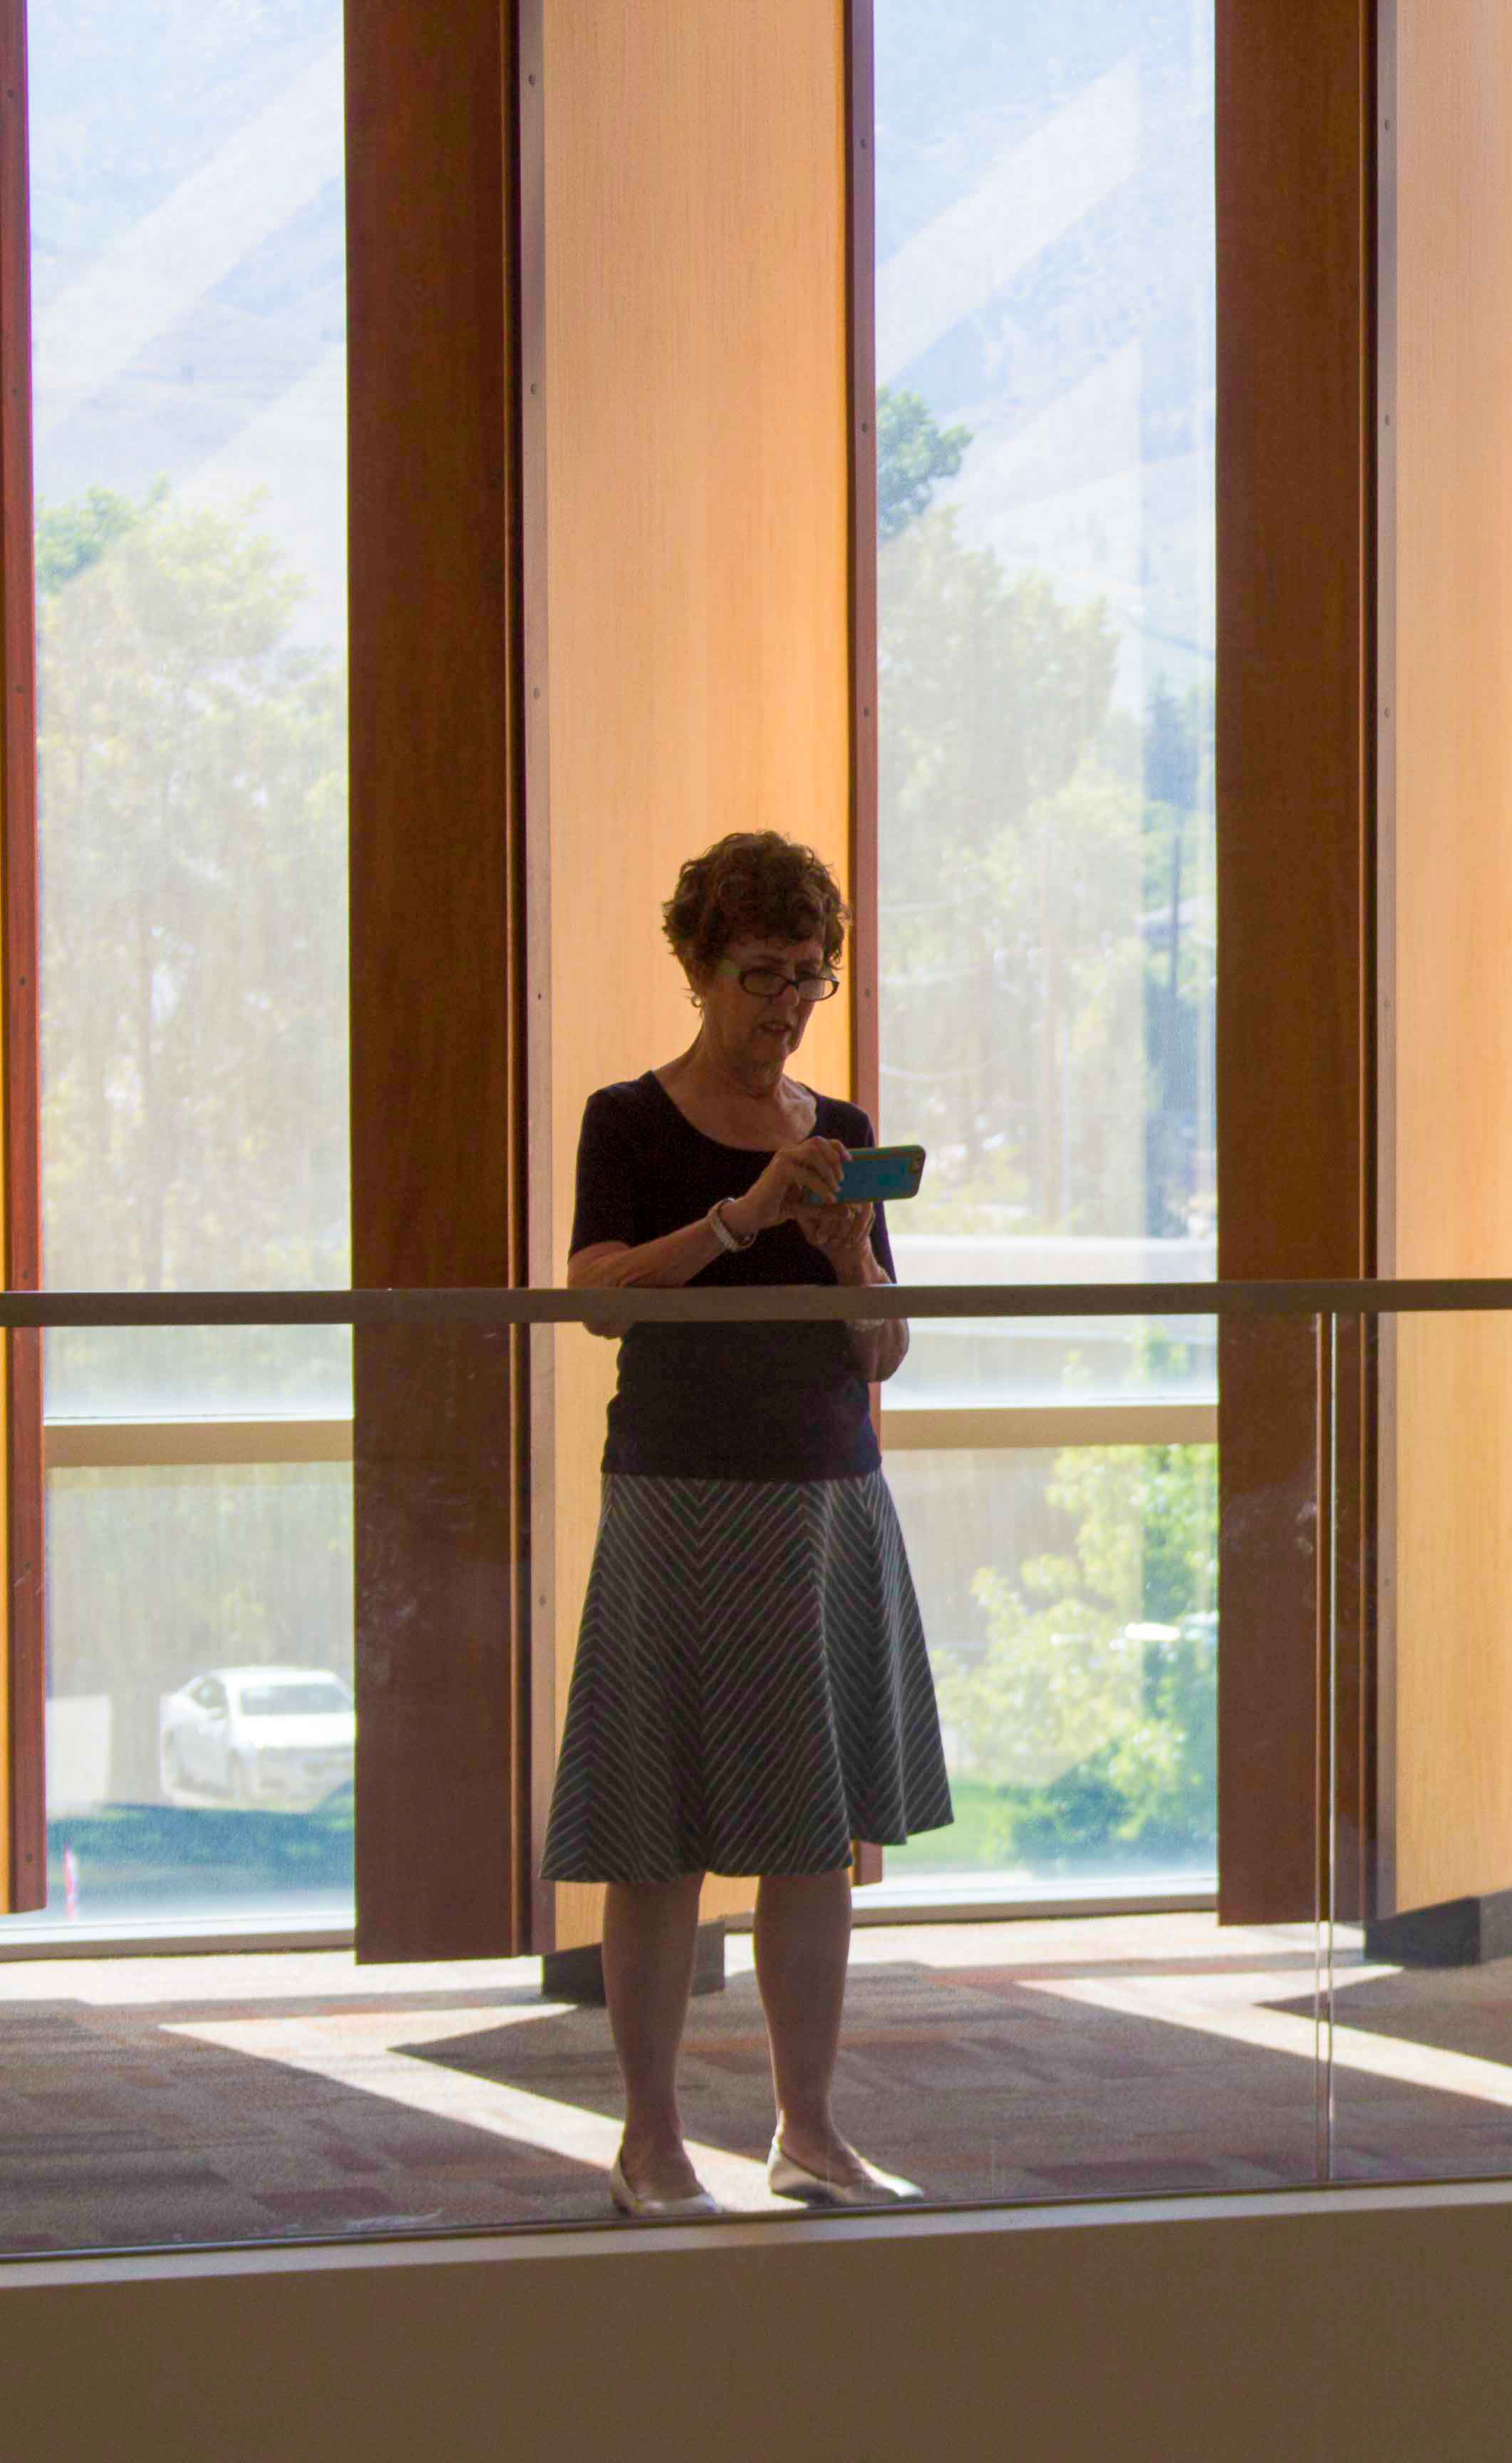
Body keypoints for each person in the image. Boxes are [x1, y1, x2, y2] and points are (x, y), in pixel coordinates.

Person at [546, 830, 947, 2217]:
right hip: (679, 1495)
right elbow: (595, 1297)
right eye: (765, 974)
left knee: (810, 1833)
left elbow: (883, 1353)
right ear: (700, 966)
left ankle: (808, 2131)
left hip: (826, 1494)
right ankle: (649, 2142)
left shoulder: (840, 1131)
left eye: (811, 978)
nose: (787, 1006)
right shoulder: (629, 1119)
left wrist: (845, 1259)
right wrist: (738, 1219)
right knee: (657, 1829)